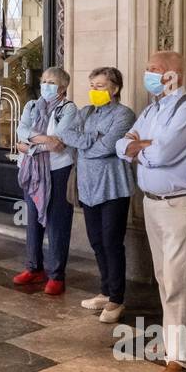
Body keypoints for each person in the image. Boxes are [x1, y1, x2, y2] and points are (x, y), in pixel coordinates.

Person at [116, 50, 186, 372]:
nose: (149, 75)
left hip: (180, 205)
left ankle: (180, 361)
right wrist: (143, 145)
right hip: (154, 203)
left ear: (174, 75)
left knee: (175, 282)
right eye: (147, 70)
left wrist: (144, 148)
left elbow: (162, 154)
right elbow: (121, 145)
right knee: (167, 279)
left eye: (155, 70)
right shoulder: (152, 110)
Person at [60, 67, 135, 322]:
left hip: (113, 187)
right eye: (92, 85)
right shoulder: (87, 111)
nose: (95, 90)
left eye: (100, 86)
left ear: (114, 88)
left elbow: (107, 147)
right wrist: (93, 138)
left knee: (112, 242)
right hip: (89, 187)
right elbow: (65, 134)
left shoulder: (124, 115)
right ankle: (105, 290)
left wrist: (87, 144)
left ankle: (117, 299)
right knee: (96, 241)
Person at [13, 67, 79, 296]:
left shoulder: (69, 109)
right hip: (32, 172)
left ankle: (56, 275)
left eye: (51, 82)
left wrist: (29, 144)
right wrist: (41, 140)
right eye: (44, 81)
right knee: (32, 220)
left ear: (62, 88)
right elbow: (20, 130)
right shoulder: (31, 106)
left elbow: (59, 142)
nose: (46, 85)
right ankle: (34, 267)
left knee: (57, 223)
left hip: (58, 172)